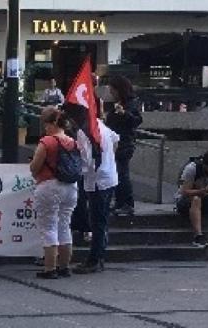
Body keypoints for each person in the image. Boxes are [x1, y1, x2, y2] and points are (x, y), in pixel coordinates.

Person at [29, 106, 79, 279]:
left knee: (49, 227)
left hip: (49, 186)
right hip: (70, 187)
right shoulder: (73, 142)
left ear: (51, 124)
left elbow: (35, 166)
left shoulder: (47, 142)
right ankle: (64, 267)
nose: (45, 128)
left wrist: (34, 170)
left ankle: (49, 269)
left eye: (45, 124)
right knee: (64, 226)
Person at [73, 118, 119, 274]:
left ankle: (95, 258)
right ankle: (99, 255)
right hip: (109, 176)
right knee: (102, 219)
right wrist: (109, 160)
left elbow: (86, 160)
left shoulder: (83, 131)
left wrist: (79, 170)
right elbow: (115, 139)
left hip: (97, 180)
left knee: (97, 220)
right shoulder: (99, 123)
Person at [105, 76, 142, 217]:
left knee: (122, 174)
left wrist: (124, 113)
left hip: (124, 143)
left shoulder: (131, 103)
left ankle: (127, 203)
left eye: (112, 90)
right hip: (115, 142)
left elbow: (136, 120)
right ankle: (120, 203)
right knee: (118, 174)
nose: (111, 93)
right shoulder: (117, 103)